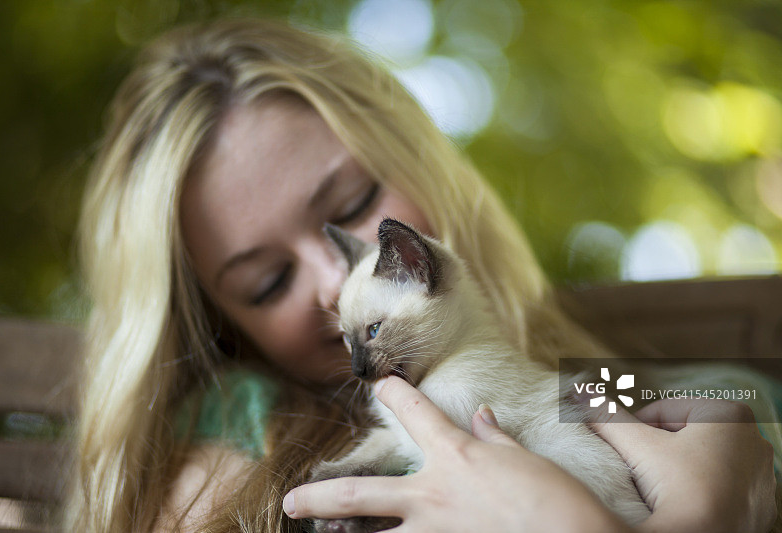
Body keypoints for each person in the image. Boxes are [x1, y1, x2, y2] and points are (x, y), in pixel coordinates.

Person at [65, 18, 781, 533]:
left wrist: (725, 436)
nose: (333, 283)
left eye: (353, 205)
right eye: (266, 283)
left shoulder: (630, 386)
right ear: (226, 325)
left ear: (425, 162)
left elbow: (622, 396)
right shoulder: (236, 433)